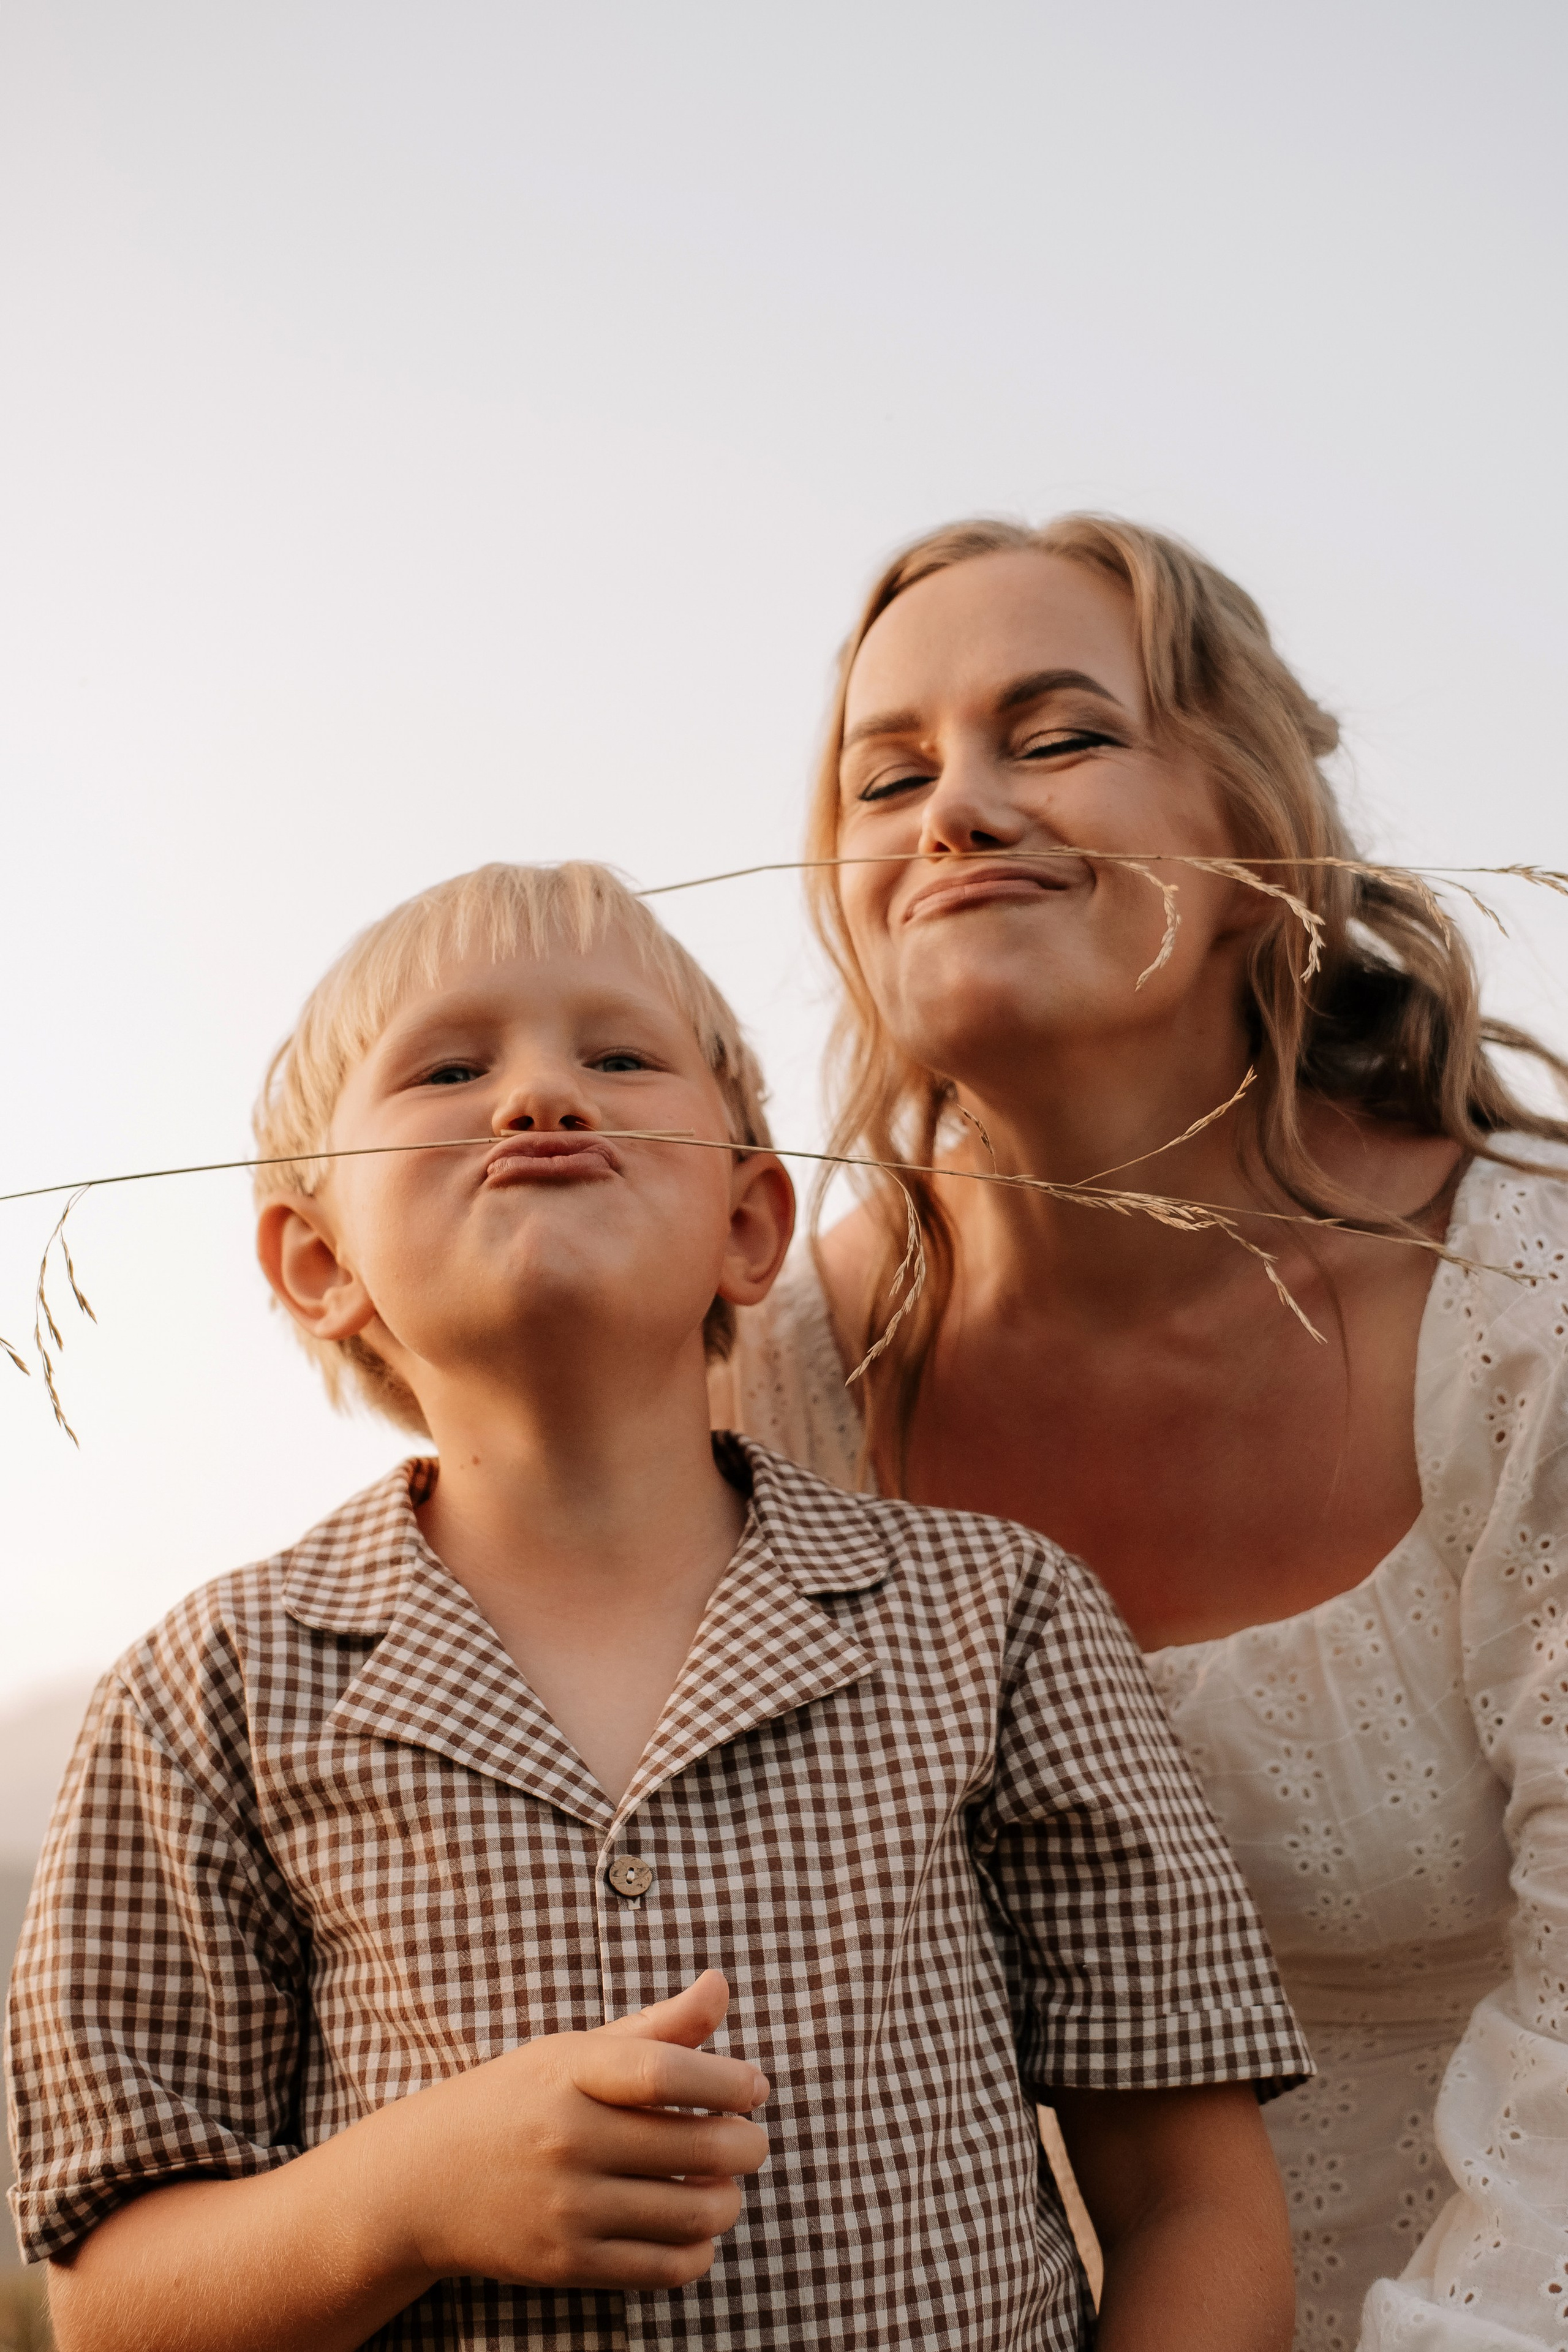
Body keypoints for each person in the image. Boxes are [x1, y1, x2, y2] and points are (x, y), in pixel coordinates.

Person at [5, 861, 1310, 2352]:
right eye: (449, 1066)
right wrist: (407, 2195)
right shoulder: (206, 1692)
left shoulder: (994, 1617)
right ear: (319, 1263)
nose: (540, 1096)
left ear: (750, 1225)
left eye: (617, 1057)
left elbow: (1186, 2200)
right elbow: (110, 2310)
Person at [714, 515, 1568, 2352]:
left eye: (1058, 735)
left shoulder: (1537, 1313)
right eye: (891, 774)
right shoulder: (754, 1400)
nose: (956, 810)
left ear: (1259, 843)